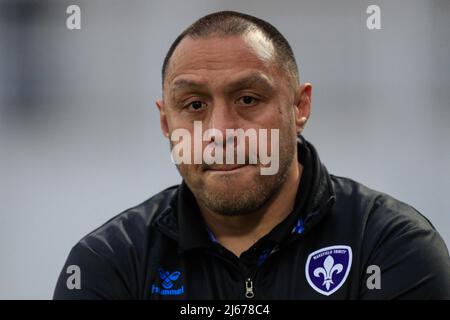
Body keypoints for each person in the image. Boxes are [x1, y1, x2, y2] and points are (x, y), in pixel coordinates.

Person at [54, 11, 450, 299]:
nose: (221, 132)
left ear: (300, 108)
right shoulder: (110, 263)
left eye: (248, 99)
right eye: (193, 105)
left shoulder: (389, 247)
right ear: (165, 122)